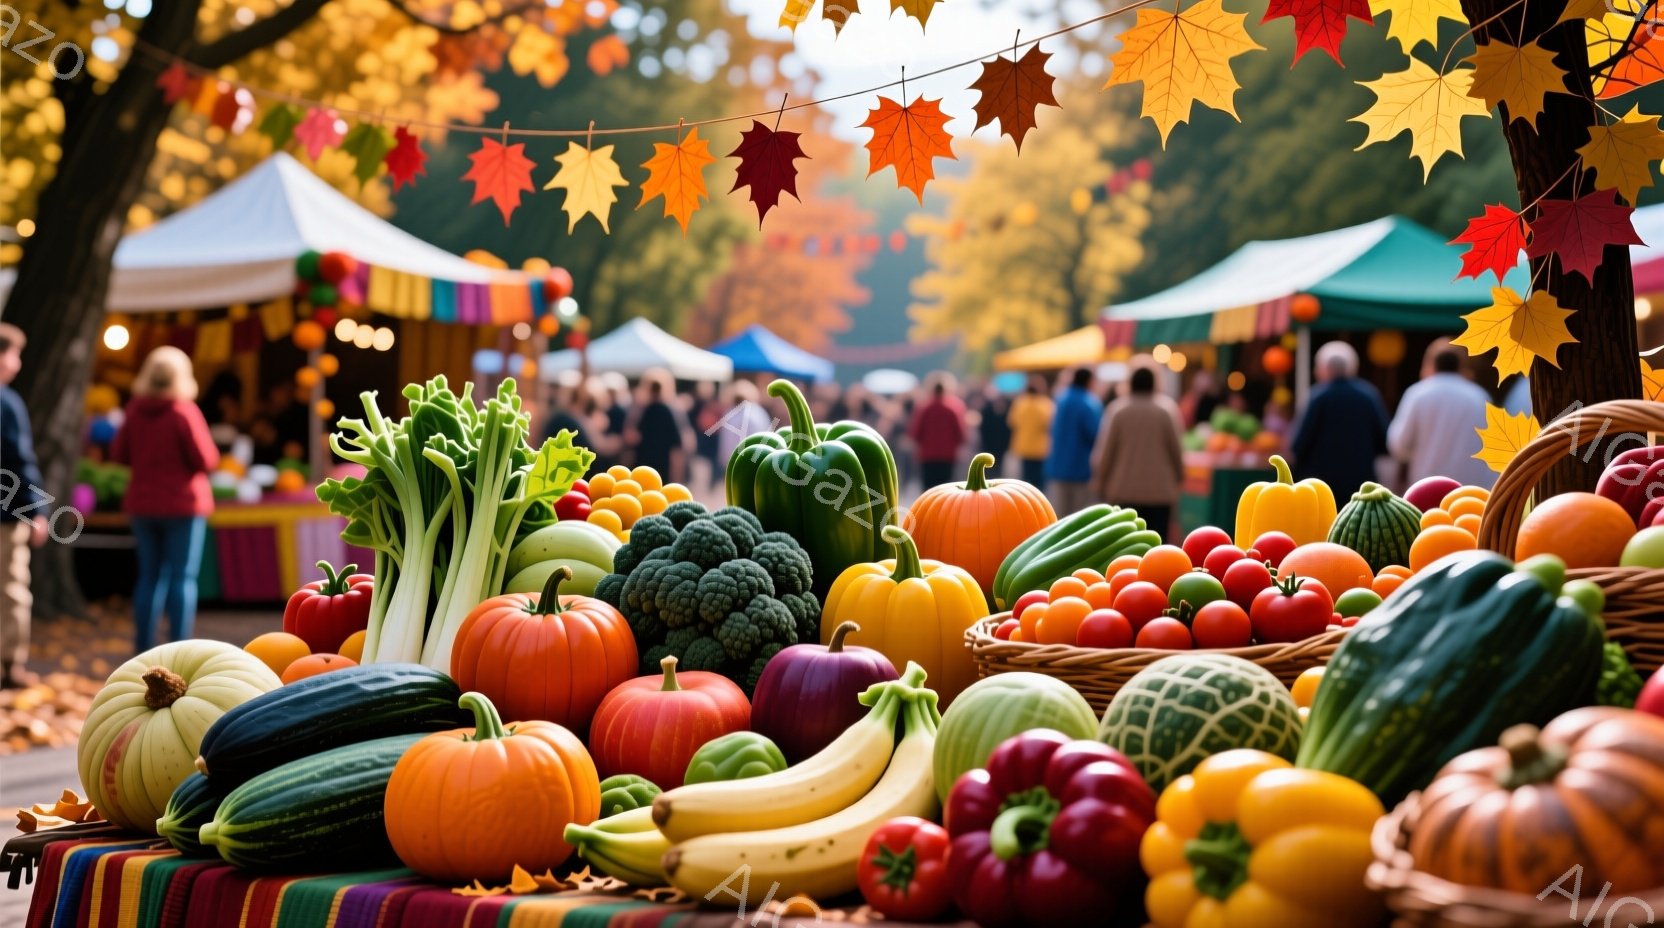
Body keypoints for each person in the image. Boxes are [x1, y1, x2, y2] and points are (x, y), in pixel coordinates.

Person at [111, 347, 219, 654]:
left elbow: (118, 454)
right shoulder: (183, 411)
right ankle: (179, 648)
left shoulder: (133, 411)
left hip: (143, 504)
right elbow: (206, 459)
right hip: (182, 505)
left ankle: (143, 647)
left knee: (149, 577)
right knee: (182, 578)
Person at [0, 324, 46, 688]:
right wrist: (35, 511)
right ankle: (9, 664)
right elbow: (19, 461)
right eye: (15, 354)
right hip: (6, 513)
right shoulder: (7, 403)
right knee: (12, 588)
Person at [1093, 365, 1186, 540]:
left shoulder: (1117, 410)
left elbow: (1105, 454)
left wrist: (1101, 483)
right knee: (1157, 548)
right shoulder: (1166, 410)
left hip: (1123, 492)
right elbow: (1177, 451)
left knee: (1126, 548)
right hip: (1160, 493)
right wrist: (1179, 478)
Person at [1389, 341, 1496, 488]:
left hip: (1426, 485)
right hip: (1469, 488)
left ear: (1432, 365)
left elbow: (1398, 445)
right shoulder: (1480, 396)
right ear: (1461, 366)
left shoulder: (1418, 394)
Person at [1291, 341, 1389, 500]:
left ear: (1325, 369)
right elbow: (1384, 441)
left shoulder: (1318, 396)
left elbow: (1299, 444)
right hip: (1360, 483)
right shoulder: (1368, 395)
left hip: (1322, 486)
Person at [1047, 367, 1103, 515]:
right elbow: (1096, 435)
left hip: (1058, 467)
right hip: (1081, 468)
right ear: (1089, 381)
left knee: (1059, 515)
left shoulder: (1060, 399)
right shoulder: (1089, 403)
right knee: (1079, 517)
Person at [625, 369, 692, 483]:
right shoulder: (669, 410)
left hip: (644, 467)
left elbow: (631, 437)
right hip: (661, 468)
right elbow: (678, 446)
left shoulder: (645, 410)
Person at [908, 376, 968, 489]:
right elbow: (960, 433)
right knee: (946, 489)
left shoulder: (924, 408)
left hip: (927, 455)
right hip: (947, 455)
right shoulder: (954, 408)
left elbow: (915, 432)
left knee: (928, 489)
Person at [714, 379, 776, 475]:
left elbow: (726, 442)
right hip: (756, 462)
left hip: (734, 462)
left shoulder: (731, 413)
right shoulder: (758, 412)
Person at [1007, 375, 1054, 487]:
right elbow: (1050, 424)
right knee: (1039, 482)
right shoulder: (1045, 404)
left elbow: (1011, 422)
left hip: (1023, 446)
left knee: (1025, 480)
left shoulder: (1019, 403)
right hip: (1040, 448)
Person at [975, 383, 1013, 476]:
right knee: (988, 467)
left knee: (999, 466)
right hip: (989, 444)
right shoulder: (987, 411)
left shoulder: (1007, 410)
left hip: (1001, 445)